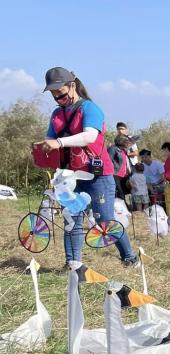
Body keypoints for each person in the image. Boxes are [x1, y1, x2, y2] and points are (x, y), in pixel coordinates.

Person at [34, 67, 138, 266]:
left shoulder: (89, 108)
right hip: (70, 175)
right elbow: (50, 139)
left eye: (60, 91)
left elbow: (89, 135)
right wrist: (43, 149)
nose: (57, 96)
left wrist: (60, 143)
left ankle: (130, 258)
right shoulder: (56, 114)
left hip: (96, 175)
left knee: (104, 221)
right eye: (53, 93)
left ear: (72, 86)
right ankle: (72, 264)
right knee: (71, 218)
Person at [108, 134, 132, 199]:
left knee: (125, 194)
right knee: (120, 194)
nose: (128, 143)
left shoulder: (123, 150)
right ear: (122, 141)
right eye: (127, 141)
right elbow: (108, 160)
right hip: (115, 175)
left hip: (124, 176)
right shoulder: (113, 149)